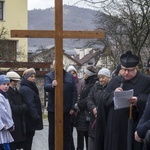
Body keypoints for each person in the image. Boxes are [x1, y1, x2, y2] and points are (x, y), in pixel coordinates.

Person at [95, 51, 150, 150]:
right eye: (124, 69)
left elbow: (148, 99)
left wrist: (138, 100)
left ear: (136, 68)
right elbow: (103, 99)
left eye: (130, 70)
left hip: (133, 126)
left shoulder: (146, 81)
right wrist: (113, 95)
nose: (126, 73)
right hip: (115, 129)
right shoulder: (115, 81)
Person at [44, 60, 77, 150]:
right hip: (53, 110)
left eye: (60, 64)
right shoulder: (49, 76)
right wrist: (52, 85)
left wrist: (73, 107)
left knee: (67, 134)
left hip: (67, 110)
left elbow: (74, 92)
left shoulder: (69, 76)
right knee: (53, 133)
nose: (58, 66)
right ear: (53, 66)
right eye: (56, 65)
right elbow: (46, 87)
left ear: (63, 65)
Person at [75, 65, 98, 150]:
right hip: (83, 114)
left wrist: (78, 104)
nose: (84, 74)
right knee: (81, 139)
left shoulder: (92, 84)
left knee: (88, 140)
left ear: (89, 74)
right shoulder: (87, 83)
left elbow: (88, 98)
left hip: (87, 114)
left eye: (85, 73)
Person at [19, 68, 43, 150]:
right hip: (29, 120)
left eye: (34, 76)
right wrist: (36, 116)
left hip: (29, 120)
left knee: (28, 141)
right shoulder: (26, 89)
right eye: (31, 76)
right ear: (26, 77)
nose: (33, 78)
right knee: (27, 142)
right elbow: (30, 104)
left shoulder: (29, 87)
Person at [87, 67, 110, 150]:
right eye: (99, 77)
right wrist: (93, 108)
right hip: (94, 119)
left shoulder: (110, 87)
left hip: (105, 119)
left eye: (103, 77)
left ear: (108, 77)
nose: (101, 79)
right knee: (92, 142)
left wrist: (99, 109)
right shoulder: (95, 87)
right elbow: (89, 99)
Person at [6, 71, 28, 150]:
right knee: (13, 145)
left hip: (18, 122)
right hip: (14, 121)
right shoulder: (8, 92)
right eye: (14, 81)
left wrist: (22, 107)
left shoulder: (16, 91)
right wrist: (22, 108)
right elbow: (13, 108)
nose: (16, 83)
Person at [67, 65, 84, 150]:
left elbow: (82, 95)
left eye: (74, 73)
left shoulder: (81, 82)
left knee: (79, 131)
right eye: (70, 73)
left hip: (79, 110)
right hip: (70, 110)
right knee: (69, 132)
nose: (73, 75)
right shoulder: (67, 83)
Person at [0, 75, 15, 150]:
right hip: (2, 128)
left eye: (7, 84)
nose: (6, 86)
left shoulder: (4, 95)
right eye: (3, 84)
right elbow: (3, 112)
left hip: (4, 128)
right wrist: (9, 125)